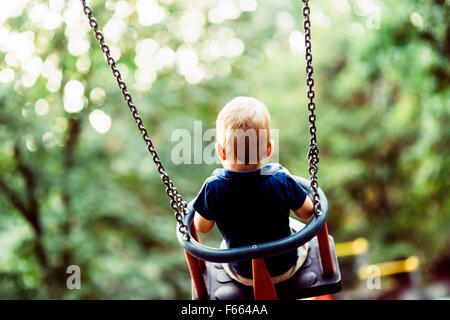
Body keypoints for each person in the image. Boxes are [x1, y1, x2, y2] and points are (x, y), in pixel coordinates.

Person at [193, 96, 314, 285]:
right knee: (296, 228)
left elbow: (202, 227)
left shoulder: (213, 188)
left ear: (220, 151)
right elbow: (308, 213)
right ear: (268, 149)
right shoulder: (280, 179)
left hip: (243, 274)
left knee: (225, 245)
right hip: (286, 268)